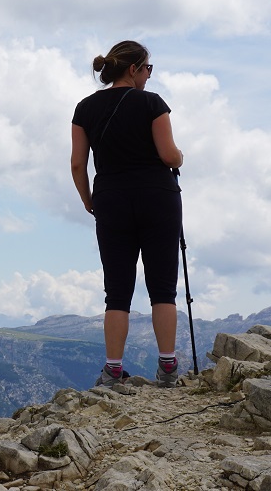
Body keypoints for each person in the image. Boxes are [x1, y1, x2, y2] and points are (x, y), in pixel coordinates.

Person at [70, 40, 185, 388]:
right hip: (158, 197)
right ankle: (167, 368)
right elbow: (168, 156)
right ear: (133, 69)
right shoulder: (152, 103)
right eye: (148, 68)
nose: (149, 75)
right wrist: (180, 157)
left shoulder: (84, 108)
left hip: (111, 198)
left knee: (117, 290)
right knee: (162, 287)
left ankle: (113, 370)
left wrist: (88, 199)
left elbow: (78, 163)